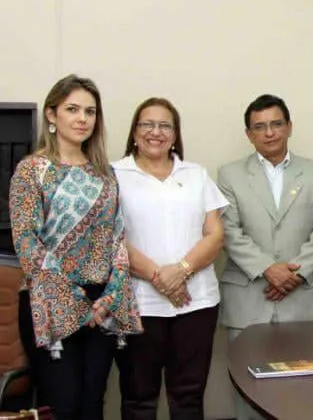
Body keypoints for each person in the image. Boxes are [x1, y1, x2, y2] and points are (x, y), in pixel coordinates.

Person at [9, 74, 143, 419]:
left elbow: (117, 239)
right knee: (64, 407)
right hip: (50, 302)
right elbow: (27, 243)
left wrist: (109, 297)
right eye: (73, 109)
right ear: (52, 115)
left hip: (102, 305)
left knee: (92, 405)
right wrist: (76, 300)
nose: (83, 119)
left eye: (90, 111)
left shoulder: (104, 173)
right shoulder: (32, 170)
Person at [218, 94, 313, 419]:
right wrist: (268, 269)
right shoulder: (229, 175)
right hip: (249, 299)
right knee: (249, 391)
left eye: (276, 124)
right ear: (249, 134)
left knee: (306, 391)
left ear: (289, 127)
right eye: (260, 127)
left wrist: (294, 275)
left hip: (304, 300)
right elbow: (229, 231)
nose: (269, 132)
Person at [112, 98, 228, 420]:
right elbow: (110, 239)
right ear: (134, 132)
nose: (156, 132)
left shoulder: (196, 174)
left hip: (197, 304)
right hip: (138, 305)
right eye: (147, 124)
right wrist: (159, 277)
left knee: (188, 397)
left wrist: (181, 270)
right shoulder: (113, 174)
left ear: (175, 134)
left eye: (165, 125)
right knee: (138, 398)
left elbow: (215, 235)